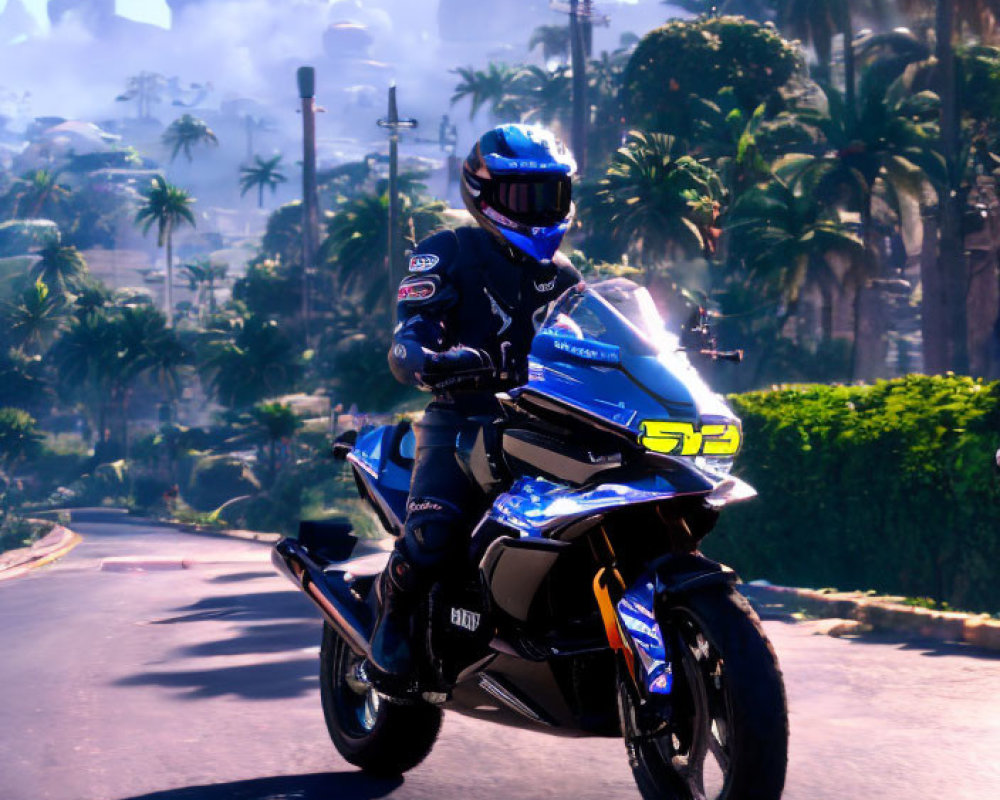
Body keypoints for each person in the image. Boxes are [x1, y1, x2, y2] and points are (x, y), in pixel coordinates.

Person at [369, 123, 582, 688]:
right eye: (522, 194)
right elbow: (414, 327)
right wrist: (423, 354)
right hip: (462, 418)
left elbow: (593, 341)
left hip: (546, 423)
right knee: (432, 539)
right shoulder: (448, 250)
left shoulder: (566, 277)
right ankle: (392, 609)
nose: (538, 209)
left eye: (550, 195)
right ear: (482, 193)